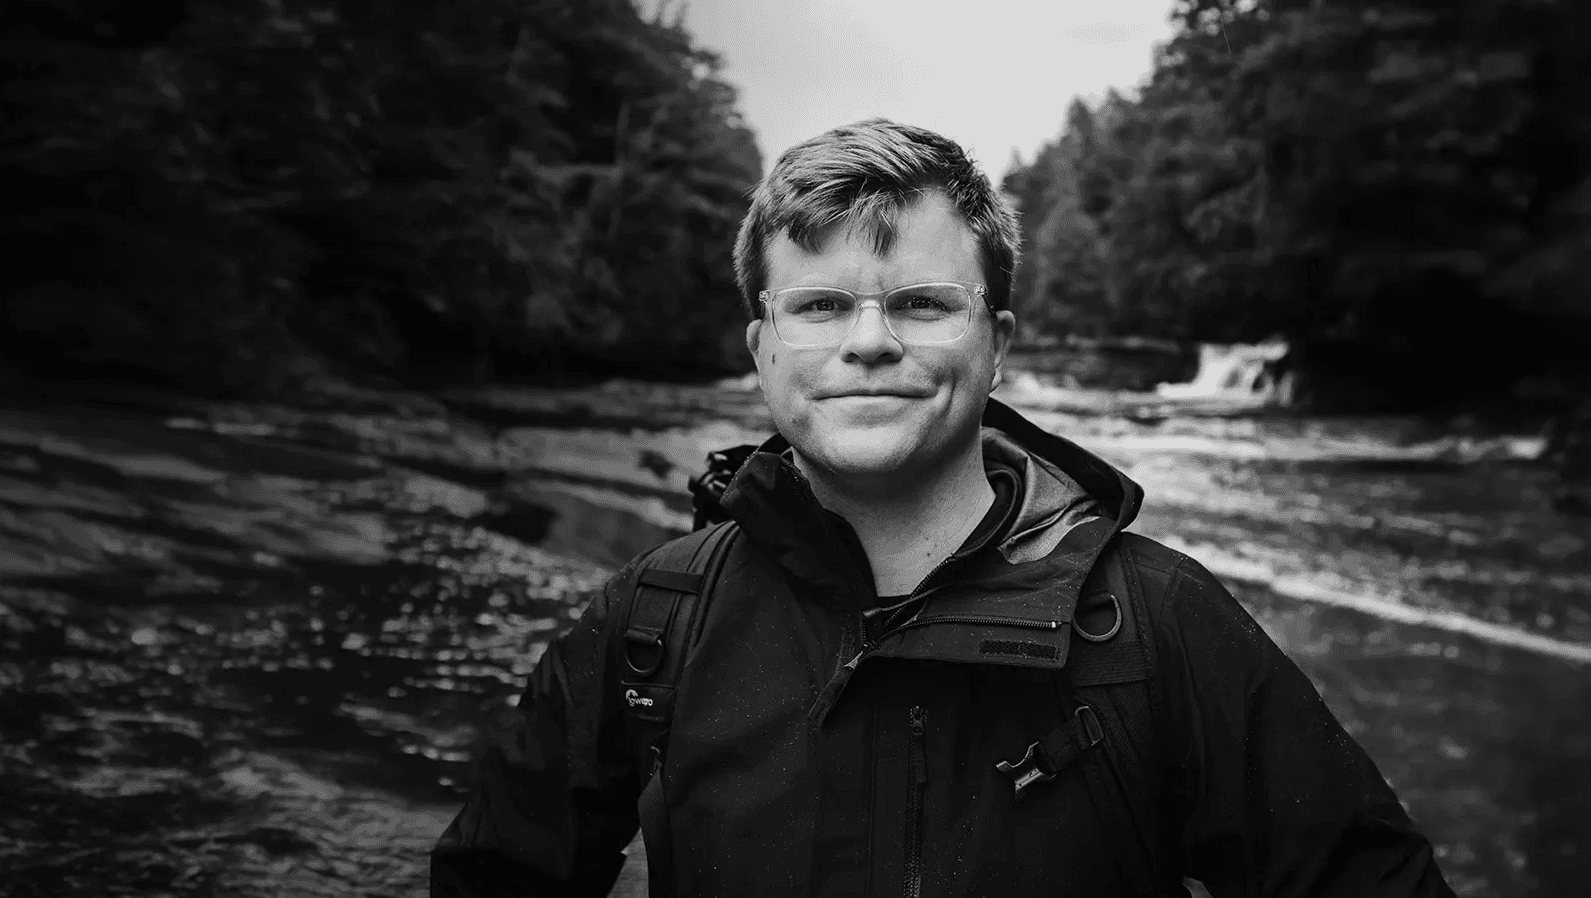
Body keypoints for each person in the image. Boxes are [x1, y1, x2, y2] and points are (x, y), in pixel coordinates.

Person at [430, 119, 1454, 897]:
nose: (867, 342)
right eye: (820, 305)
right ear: (760, 351)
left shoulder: (1160, 629)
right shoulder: (647, 625)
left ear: (996, 342)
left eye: (919, 303)